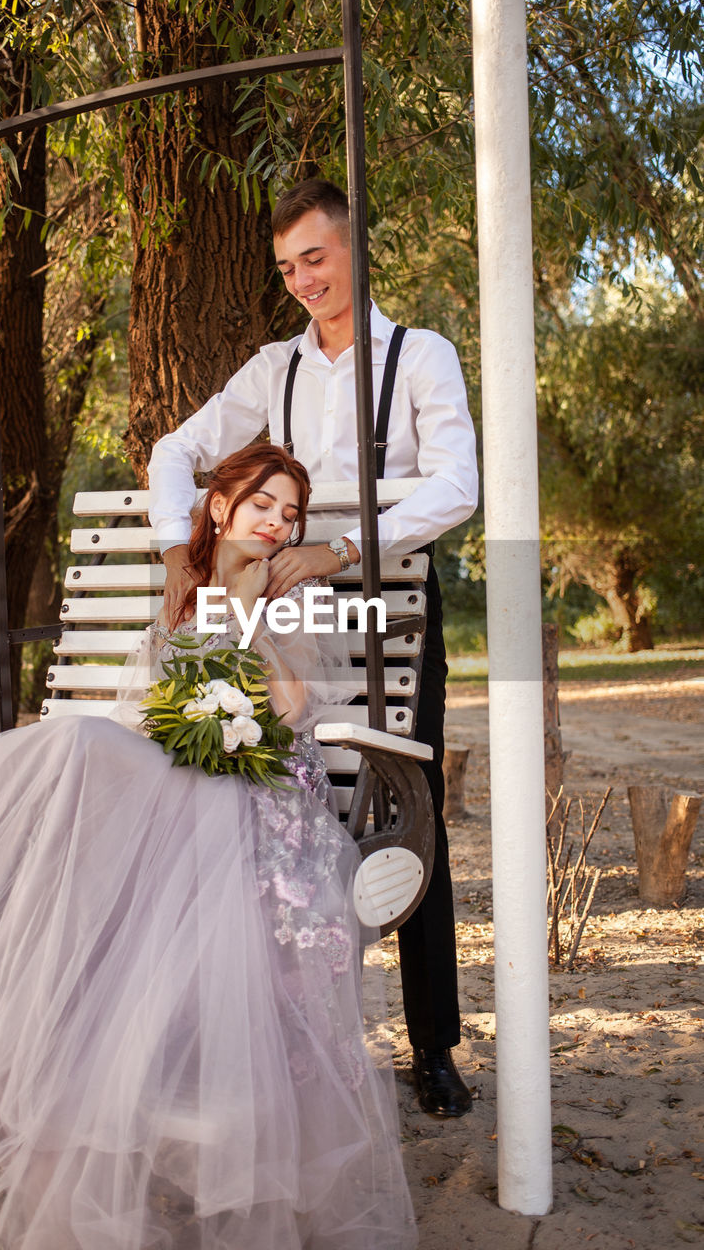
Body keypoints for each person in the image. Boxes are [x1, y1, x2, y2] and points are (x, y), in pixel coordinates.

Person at [0, 443, 417, 1250]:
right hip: (178, 767)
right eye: (263, 503)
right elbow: (148, 704)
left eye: (290, 513)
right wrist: (193, 694)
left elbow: (289, 709)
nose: (278, 522)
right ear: (220, 507)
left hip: (255, 789)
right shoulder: (183, 590)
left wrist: (251, 612)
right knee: (70, 752)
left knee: (69, 750)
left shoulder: (292, 592)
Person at [149, 178, 479, 1118]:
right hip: (281, 620)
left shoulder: (421, 357)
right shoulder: (272, 369)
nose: (301, 279)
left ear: (354, 248)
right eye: (287, 266)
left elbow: (457, 484)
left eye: (315, 258)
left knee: (402, 803)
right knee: (252, 793)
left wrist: (339, 547)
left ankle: (432, 1044)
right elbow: (176, 451)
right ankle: (240, 1030)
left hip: (390, 612)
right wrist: (179, 546)